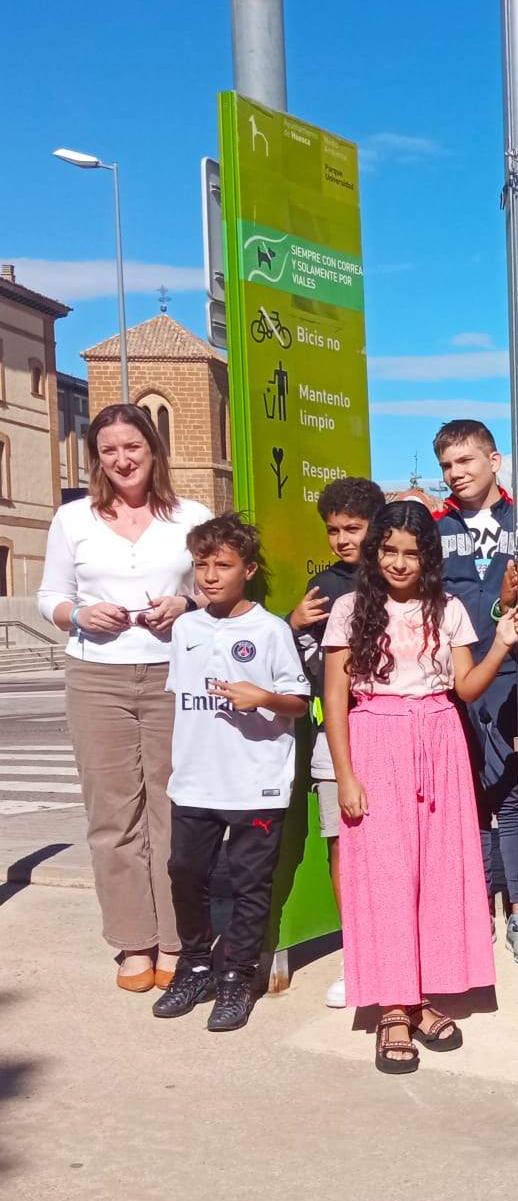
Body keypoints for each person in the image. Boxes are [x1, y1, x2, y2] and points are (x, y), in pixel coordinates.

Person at [322, 500, 518, 1075]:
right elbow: (336, 699)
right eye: (390, 550)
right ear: (375, 551)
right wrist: (346, 774)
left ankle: (427, 994)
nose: (401, 563)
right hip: (375, 739)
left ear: (429, 557)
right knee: (385, 874)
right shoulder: (349, 608)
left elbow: (466, 688)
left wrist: (503, 640)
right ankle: (392, 1005)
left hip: (440, 738)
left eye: (413, 553)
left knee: (437, 871)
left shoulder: (449, 607)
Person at [37, 404, 212, 993]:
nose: (122, 459)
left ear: (153, 448)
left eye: (132, 446)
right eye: (108, 450)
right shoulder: (73, 519)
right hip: (96, 678)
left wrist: (184, 606)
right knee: (113, 815)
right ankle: (132, 940)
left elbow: (217, 587)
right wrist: (80, 613)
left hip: (173, 674)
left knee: (173, 811)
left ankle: (175, 938)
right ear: (96, 458)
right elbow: (49, 597)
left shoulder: (191, 516)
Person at [150, 515, 310, 1031]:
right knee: (186, 874)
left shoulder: (270, 630)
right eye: (202, 564)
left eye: (224, 565)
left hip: (254, 784)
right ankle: (195, 965)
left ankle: (238, 976)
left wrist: (261, 697)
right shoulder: (187, 627)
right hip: (195, 781)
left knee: (247, 883)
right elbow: (183, 701)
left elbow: (299, 703)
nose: (211, 575)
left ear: (249, 569)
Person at [427, 419, 518, 953]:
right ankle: (477, 905)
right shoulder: (434, 528)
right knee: (467, 796)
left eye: (465, 461)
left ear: (495, 460)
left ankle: (517, 908)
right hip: (453, 682)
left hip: (513, 678)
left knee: (511, 794)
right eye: (446, 465)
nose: (455, 474)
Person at [288, 476, 386, 1009]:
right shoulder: (324, 588)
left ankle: (400, 947)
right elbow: (301, 664)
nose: (343, 539)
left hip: (398, 730)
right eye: (333, 530)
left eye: (354, 527)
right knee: (343, 845)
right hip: (338, 736)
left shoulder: (404, 574)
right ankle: (358, 954)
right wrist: (291, 623)